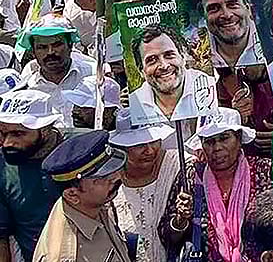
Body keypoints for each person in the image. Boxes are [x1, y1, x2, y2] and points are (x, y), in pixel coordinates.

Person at [159, 109, 273, 262]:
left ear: (239, 139)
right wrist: (181, 220)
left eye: (224, 138)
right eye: (209, 141)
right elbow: (167, 237)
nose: (217, 147)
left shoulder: (264, 170)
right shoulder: (192, 176)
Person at [34, 130, 129, 262]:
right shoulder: (65, 255)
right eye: (103, 178)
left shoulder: (92, 205)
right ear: (72, 194)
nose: (117, 178)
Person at [0, 90, 67, 262]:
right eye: (3, 133)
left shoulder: (80, 149)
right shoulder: (2, 167)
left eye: (18, 133)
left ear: (44, 129)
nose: (8, 143)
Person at [109, 114, 178, 262]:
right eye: (140, 145)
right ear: (123, 148)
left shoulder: (176, 166)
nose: (150, 150)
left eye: (154, 142)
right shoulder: (108, 180)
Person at [130, 24, 218, 125]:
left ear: (183, 57)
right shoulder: (136, 103)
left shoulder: (212, 88)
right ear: (141, 70)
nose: (164, 66)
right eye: (152, 60)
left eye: (169, 55)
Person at [19, 15, 97, 125]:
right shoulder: (27, 84)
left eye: (57, 45)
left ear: (70, 45)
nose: (50, 52)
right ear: (33, 52)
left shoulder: (92, 72)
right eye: (42, 47)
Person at [195, 0, 263, 68]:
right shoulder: (197, 54)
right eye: (214, 8)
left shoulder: (272, 42)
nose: (227, 15)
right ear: (203, 16)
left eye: (232, 5)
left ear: (248, 8)